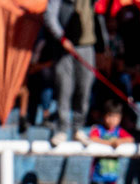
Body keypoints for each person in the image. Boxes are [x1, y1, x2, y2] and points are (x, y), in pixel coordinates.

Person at [43, 0, 97, 147]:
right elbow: (50, 17)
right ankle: (62, 129)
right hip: (64, 47)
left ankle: (78, 128)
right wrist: (61, 37)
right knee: (64, 88)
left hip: (86, 46)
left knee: (84, 89)